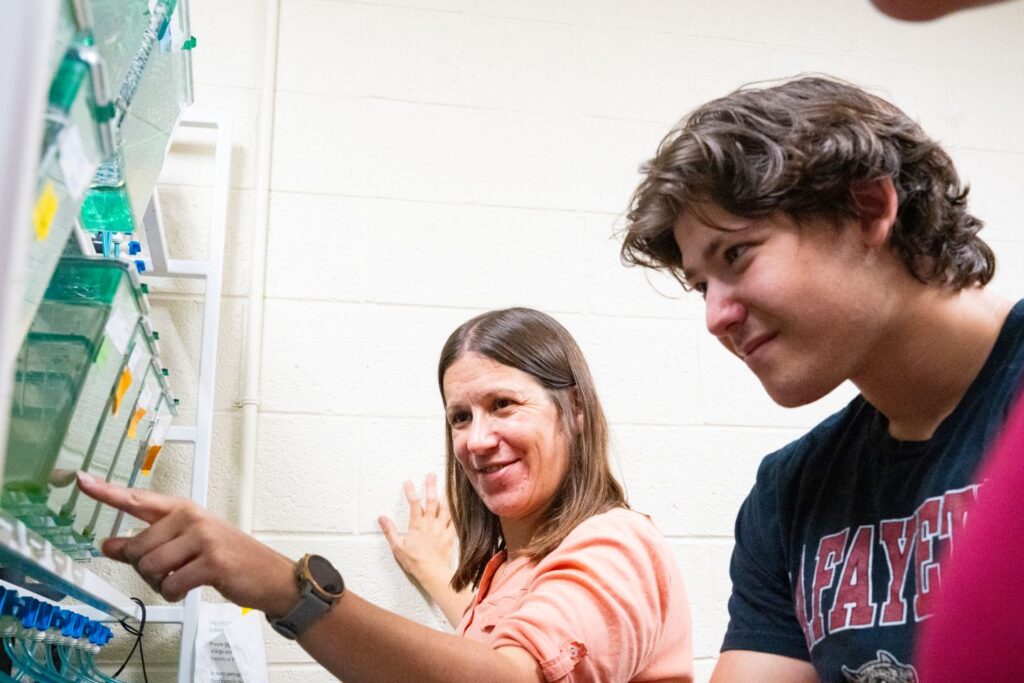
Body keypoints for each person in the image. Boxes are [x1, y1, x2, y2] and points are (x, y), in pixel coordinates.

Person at [620, 75, 1024, 682]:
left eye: (736, 255)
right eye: (703, 286)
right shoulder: (791, 492)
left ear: (868, 208)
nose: (715, 317)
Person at [78, 307, 694, 682]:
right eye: (460, 417)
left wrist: (287, 587)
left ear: (575, 411)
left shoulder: (618, 543)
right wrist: (438, 576)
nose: (477, 440)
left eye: (504, 404)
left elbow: (514, 676)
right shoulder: (510, 568)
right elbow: (511, 641)